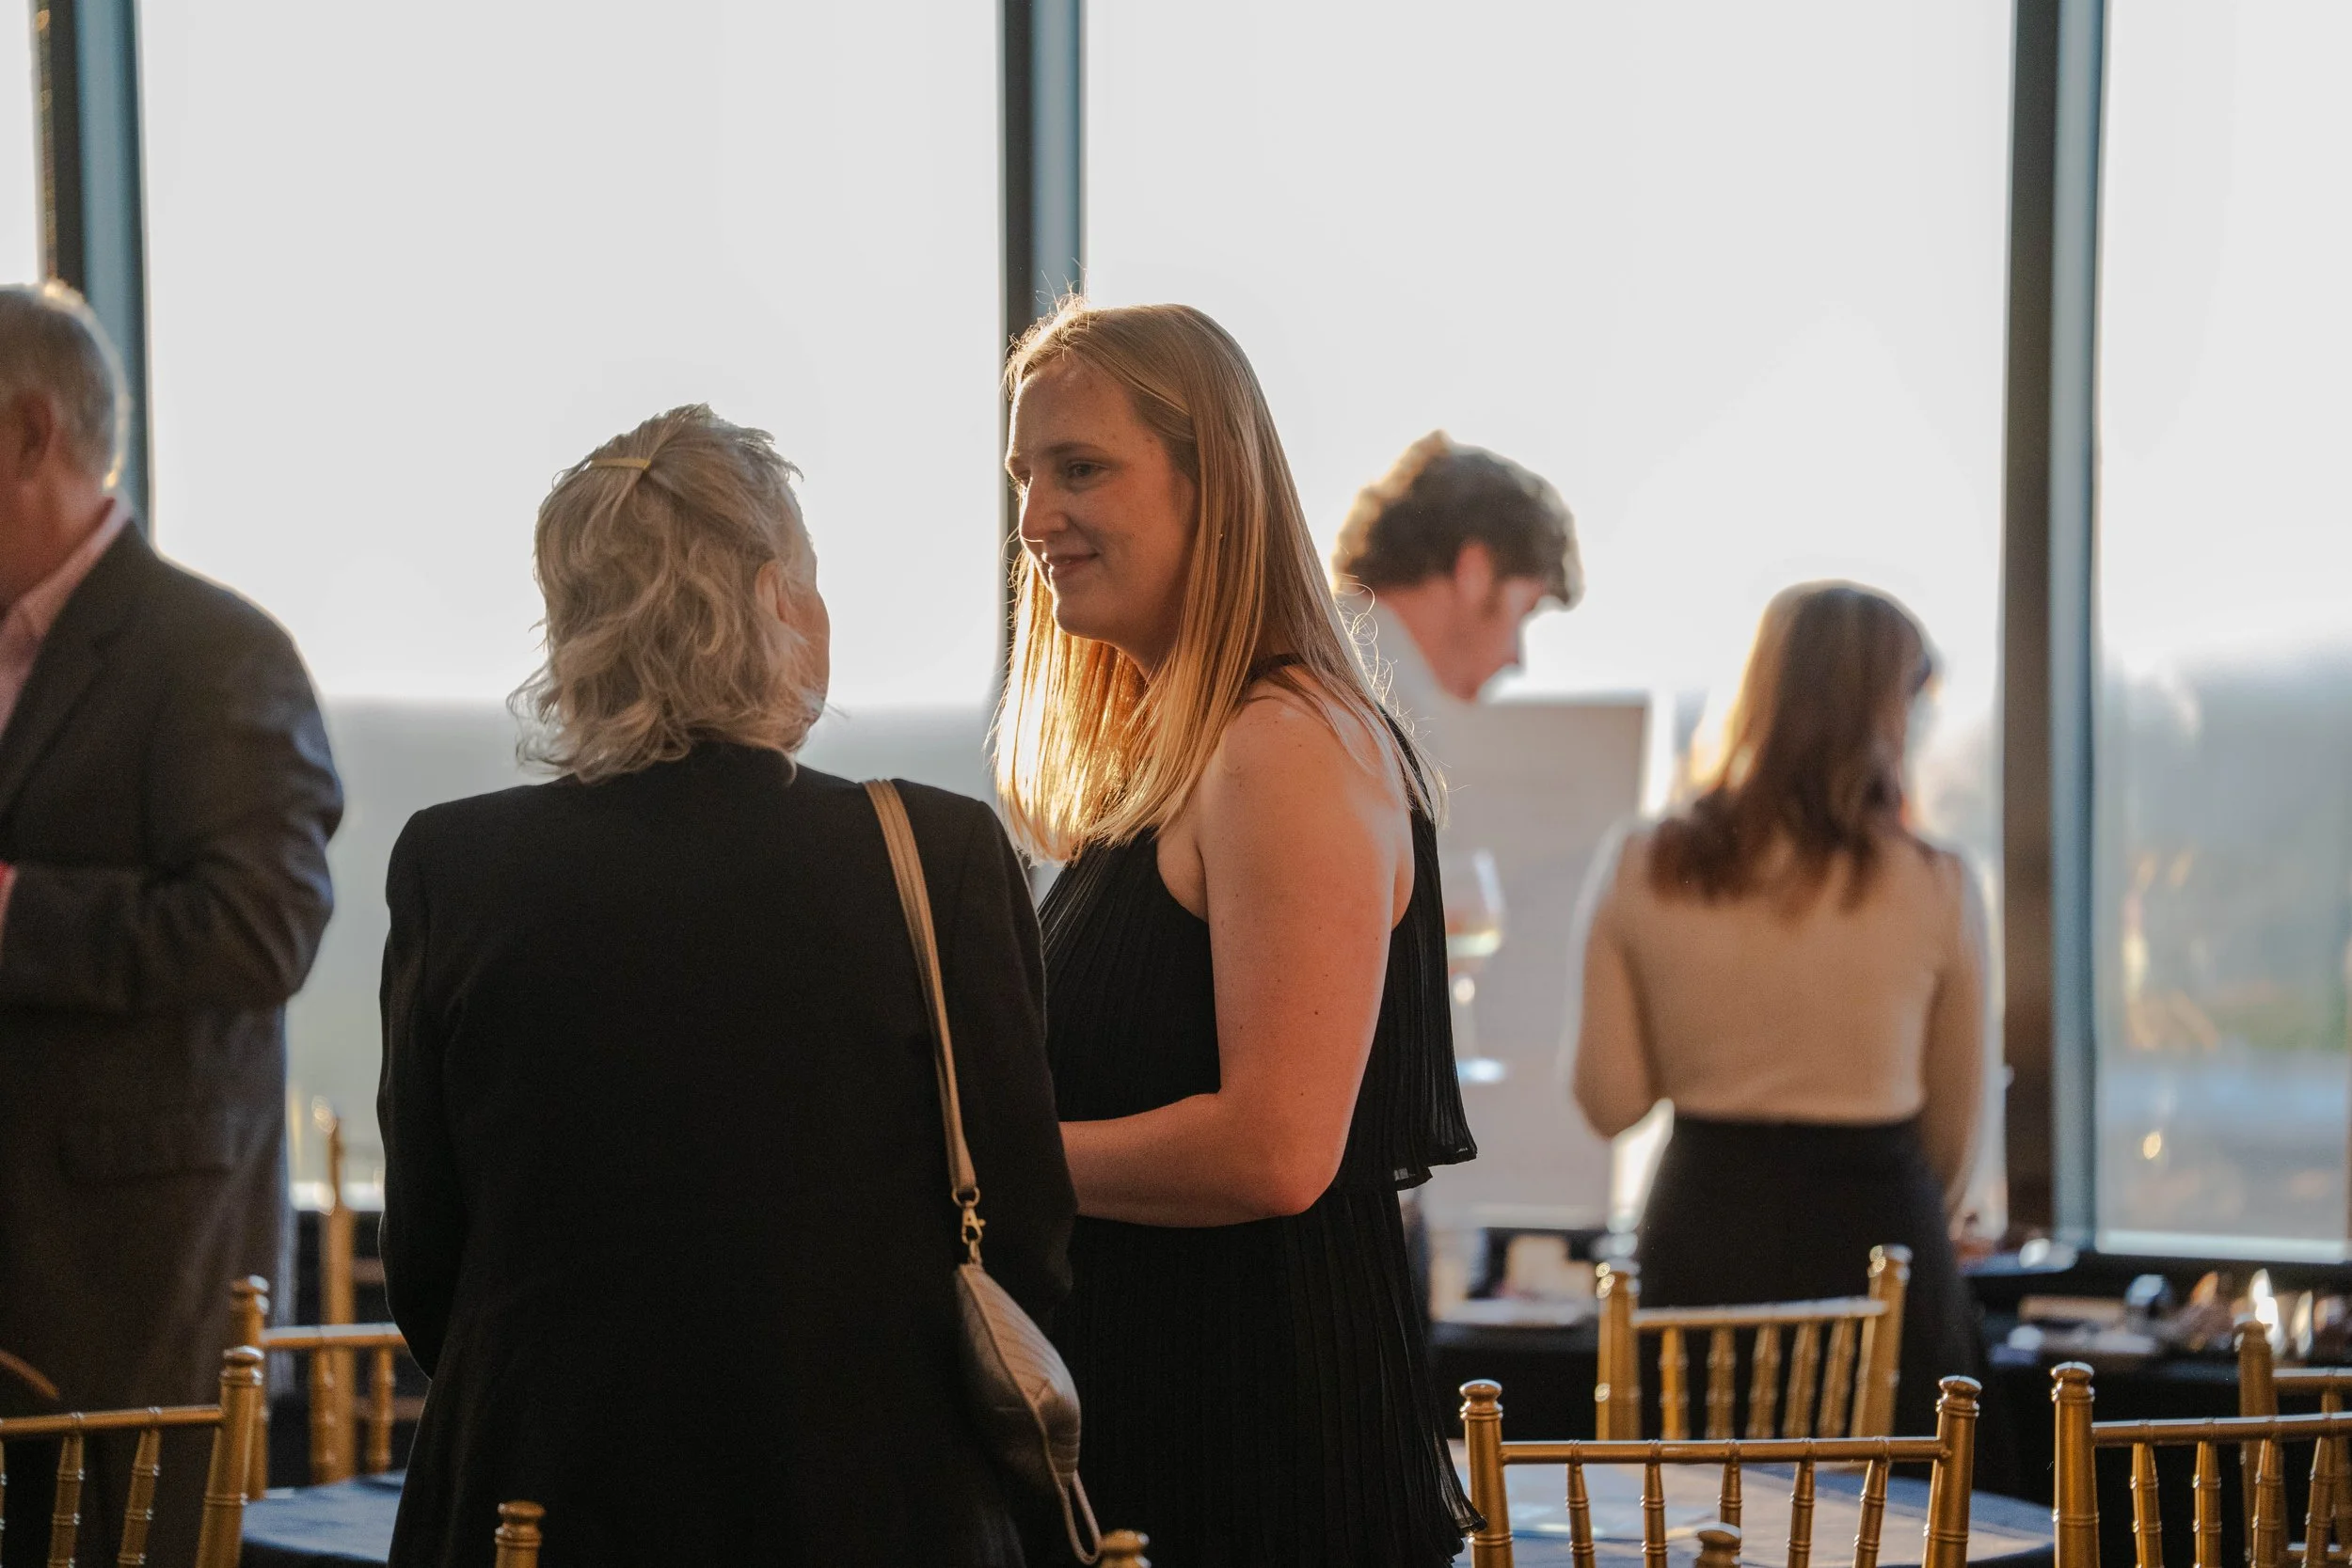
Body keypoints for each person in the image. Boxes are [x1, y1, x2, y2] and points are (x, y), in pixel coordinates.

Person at [378, 404, 1075, 1567]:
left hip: (541, 1501)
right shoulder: (934, 852)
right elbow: (1026, 1236)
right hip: (869, 1498)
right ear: (777, 601)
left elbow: (430, 1260)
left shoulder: (455, 862)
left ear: (573, 630)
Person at [999, 300, 1478, 1566]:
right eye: (1026, 475)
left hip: (1257, 1448)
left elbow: (1275, 1148)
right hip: (1174, 1417)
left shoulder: (1284, 744)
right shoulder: (1193, 750)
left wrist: (979, 1159)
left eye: (1080, 467)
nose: (1035, 517)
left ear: (1215, 482)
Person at [0, 282, 342, 1567]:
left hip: (123, 1296)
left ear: (31, 435)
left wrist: (16, 911)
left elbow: (262, 928)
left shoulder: (216, 653)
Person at [1563, 580, 1987, 1437]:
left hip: (1703, 1242)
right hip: (1883, 1256)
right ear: (1889, 713)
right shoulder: (1938, 883)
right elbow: (1953, 1143)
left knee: (1690, 1527)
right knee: (1904, 1529)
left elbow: (1610, 1104)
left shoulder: (1642, 863)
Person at [1330, 429, 1582, 740]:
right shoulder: (1376, 711)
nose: (1516, 659)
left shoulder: (1327, 661)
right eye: (1523, 612)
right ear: (1476, 571)